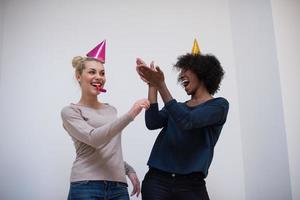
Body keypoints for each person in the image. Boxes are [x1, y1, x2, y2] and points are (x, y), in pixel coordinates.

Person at [136, 39, 229, 200]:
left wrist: (161, 84)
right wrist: (153, 85)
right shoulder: (177, 107)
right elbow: (152, 122)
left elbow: (187, 121)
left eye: (187, 70)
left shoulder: (219, 105)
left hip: (191, 186)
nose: (182, 75)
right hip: (157, 181)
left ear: (203, 72)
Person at [61, 40, 149, 200]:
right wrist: (131, 114)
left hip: (118, 187)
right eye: (92, 72)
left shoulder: (111, 110)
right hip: (85, 187)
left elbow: (109, 149)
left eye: (102, 73)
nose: (98, 77)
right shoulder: (70, 112)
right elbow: (94, 138)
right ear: (78, 76)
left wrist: (128, 170)